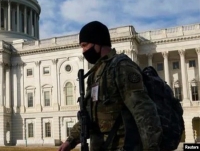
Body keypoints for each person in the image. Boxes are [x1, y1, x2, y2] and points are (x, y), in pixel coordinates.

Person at [58, 21, 162, 151]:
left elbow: (144, 111)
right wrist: (70, 141)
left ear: (98, 42)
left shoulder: (122, 67)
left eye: (85, 45)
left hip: (123, 146)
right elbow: (90, 116)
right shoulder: (95, 74)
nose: (83, 51)